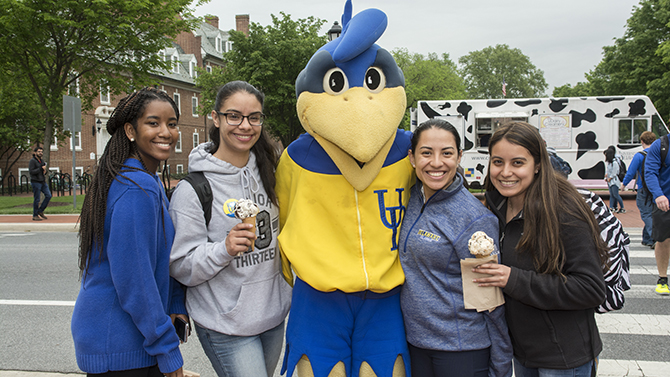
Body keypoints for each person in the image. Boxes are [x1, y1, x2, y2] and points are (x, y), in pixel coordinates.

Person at [169, 81, 291, 377]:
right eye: (234, 116)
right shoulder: (194, 189)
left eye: (254, 117)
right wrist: (224, 248)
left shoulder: (271, 171)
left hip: (273, 316)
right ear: (216, 118)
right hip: (226, 324)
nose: (245, 126)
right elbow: (181, 265)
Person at [473, 122, 609, 376]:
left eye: (517, 163)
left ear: (537, 164)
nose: (505, 172)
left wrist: (512, 278)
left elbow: (590, 288)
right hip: (521, 352)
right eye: (498, 162)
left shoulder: (564, 210)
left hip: (562, 358)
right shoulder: (495, 207)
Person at [71, 87, 187, 376]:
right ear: (130, 131)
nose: (165, 132)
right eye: (153, 123)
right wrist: (167, 348)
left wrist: (174, 302)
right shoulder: (138, 188)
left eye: (171, 124)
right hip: (120, 344)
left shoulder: (138, 179)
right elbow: (136, 280)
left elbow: (159, 260)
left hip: (116, 340)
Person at [399, 119, 512, 377]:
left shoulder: (474, 219)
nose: (436, 163)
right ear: (412, 158)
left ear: (459, 156)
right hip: (415, 344)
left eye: (447, 153)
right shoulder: (411, 198)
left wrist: (501, 365)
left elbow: (489, 300)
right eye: (426, 153)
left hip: (461, 350)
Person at [643, 132, 670, 295]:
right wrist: (658, 194)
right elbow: (650, 172)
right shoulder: (659, 146)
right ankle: (662, 278)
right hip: (664, 203)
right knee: (663, 240)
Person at [623, 131, 657, 248]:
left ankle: (655, 239)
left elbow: (631, 172)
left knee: (646, 214)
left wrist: (624, 185)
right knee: (653, 213)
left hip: (643, 188)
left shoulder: (639, 155)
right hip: (657, 189)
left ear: (642, 141)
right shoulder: (658, 153)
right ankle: (646, 239)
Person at [28, 146, 52, 221]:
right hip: (36, 182)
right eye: (39, 152)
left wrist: (45, 171)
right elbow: (31, 172)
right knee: (37, 199)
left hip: (42, 181)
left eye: (41, 152)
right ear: (35, 153)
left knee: (48, 195)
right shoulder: (32, 161)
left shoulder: (41, 161)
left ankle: (40, 210)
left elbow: (43, 171)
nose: (40, 153)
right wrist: (40, 169)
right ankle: (35, 215)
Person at [604, 146, 625, 213]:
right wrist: (606, 176)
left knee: (616, 195)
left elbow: (615, 172)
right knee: (612, 195)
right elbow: (608, 171)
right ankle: (611, 207)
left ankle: (622, 207)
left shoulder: (614, 163)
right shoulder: (610, 163)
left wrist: (610, 178)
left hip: (614, 181)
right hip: (610, 181)